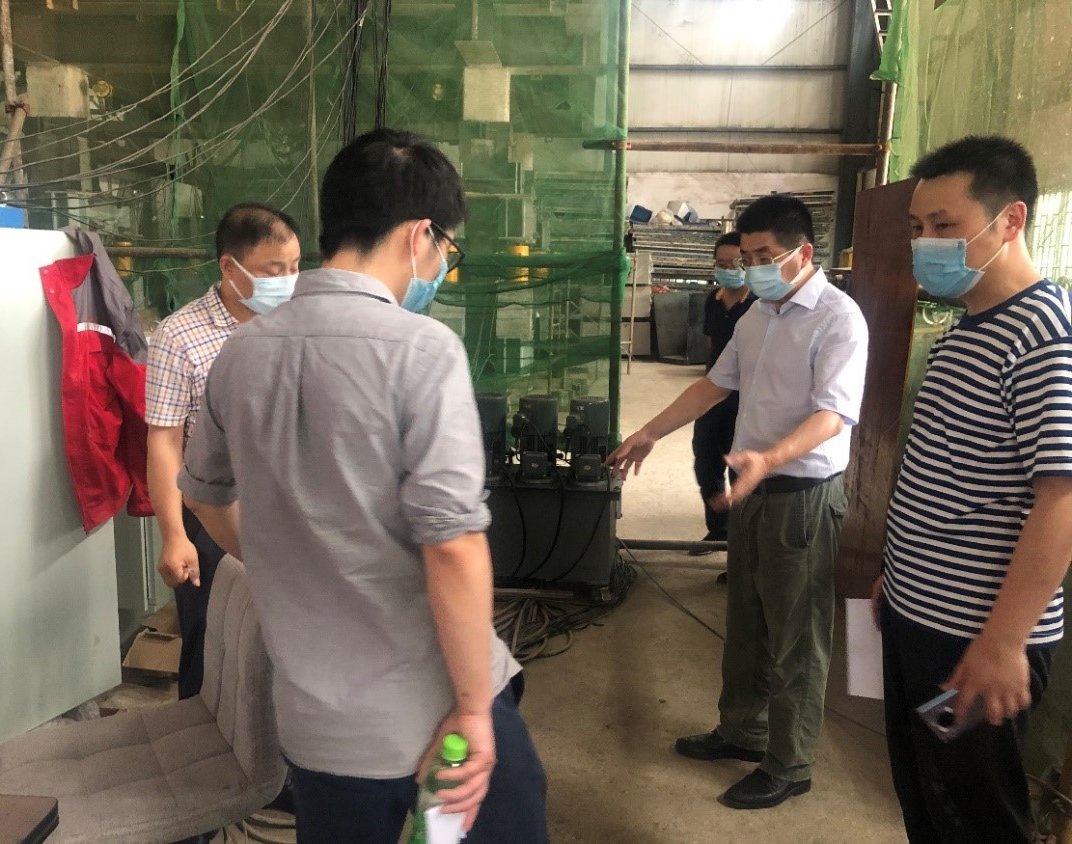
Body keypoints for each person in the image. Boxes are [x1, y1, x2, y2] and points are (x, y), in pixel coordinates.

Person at [177, 129, 549, 844]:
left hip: (319, 731)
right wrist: (475, 710)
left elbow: (204, 496)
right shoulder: (421, 351)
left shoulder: (239, 355)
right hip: (433, 720)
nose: (439, 266)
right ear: (419, 236)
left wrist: (295, 564)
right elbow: (452, 546)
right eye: (446, 248)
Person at [608, 194, 868, 810]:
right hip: (750, 489)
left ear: (803, 253)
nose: (751, 267)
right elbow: (714, 384)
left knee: (797, 637)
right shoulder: (757, 316)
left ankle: (790, 762)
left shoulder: (838, 319)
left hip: (802, 498)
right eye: (746, 257)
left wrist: (769, 460)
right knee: (747, 622)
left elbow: (834, 415)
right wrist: (649, 432)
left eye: (763, 255)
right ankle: (742, 732)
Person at [872, 135, 1072, 843]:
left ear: (1010, 220)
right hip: (920, 614)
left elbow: (1062, 500)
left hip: (973, 639)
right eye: (917, 227)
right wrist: (898, 575)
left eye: (945, 225)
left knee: (977, 819)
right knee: (928, 800)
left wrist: (1004, 641)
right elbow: (949, 477)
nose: (925, 243)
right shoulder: (966, 333)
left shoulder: (1045, 337)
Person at [145, 201, 301, 700]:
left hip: (290, 507)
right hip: (213, 512)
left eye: (295, 266)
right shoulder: (180, 336)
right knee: (212, 641)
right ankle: (200, 738)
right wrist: (174, 536)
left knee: (289, 642)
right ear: (229, 268)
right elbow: (165, 441)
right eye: (273, 271)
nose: (288, 281)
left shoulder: (298, 324)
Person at [690, 231, 755, 578]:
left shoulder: (758, 304)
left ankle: (741, 554)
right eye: (721, 263)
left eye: (736, 263)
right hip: (714, 395)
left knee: (739, 470)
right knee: (705, 462)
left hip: (746, 400)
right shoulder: (713, 301)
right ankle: (718, 531)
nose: (728, 269)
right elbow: (711, 347)